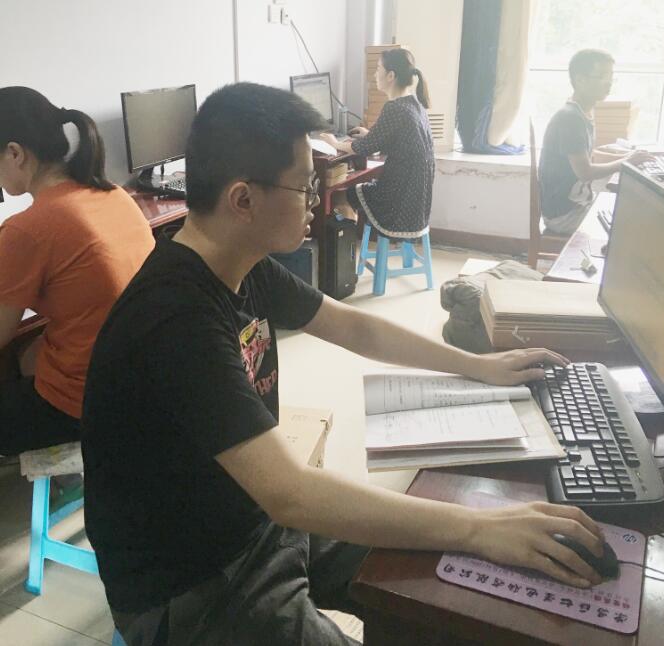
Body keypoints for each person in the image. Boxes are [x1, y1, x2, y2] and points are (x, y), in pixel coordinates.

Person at [82, 82, 605, 646]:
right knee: (466, 541)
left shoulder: (241, 264)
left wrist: (480, 367)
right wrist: (479, 528)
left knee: (453, 581)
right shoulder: (175, 318)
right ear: (243, 200)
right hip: (191, 585)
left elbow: (354, 326)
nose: (316, 197)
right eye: (305, 184)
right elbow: (290, 492)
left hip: (258, 525)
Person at [0, 87, 155, 471]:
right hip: (144, 377)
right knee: (27, 353)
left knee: (20, 355)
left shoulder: (28, 229)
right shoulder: (114, 193)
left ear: (15, 153)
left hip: (89, 402)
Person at [321, 48, 434, 240]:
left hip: (396, 204)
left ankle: (347, 252)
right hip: (416, 204)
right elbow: (402, 142)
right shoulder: (414, 104)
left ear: (391, 76)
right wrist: (370, 134)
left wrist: (335, 143)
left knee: (338, 196)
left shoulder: (395, 108)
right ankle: (348, 250)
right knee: (354, 190)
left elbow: (364, 148)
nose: (375, 74)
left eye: (378, 69)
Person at [538, 49, 651, 236]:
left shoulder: (582, 112)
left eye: (611, 77)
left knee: (634, 216)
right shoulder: (570, 118)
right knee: (636, 227)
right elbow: (585, 172)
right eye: (602, 77)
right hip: (564, 216)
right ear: (580, 80)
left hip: (578, 205)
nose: (608, 83)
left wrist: (628, 156)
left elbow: (588, 157)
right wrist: (626, 162)